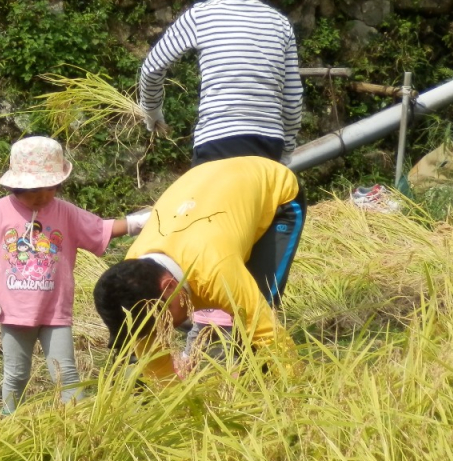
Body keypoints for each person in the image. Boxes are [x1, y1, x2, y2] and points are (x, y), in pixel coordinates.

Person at [0, 136, 149, 412]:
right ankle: (7, 422)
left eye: (49, 188)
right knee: (16, 375)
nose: (41, 196)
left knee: (66, 374)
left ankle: (79, 424)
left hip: (55, 311)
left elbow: (101, 228)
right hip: (14, 311)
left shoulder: (64, 212)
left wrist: (141, 223)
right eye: (33, 190)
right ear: (15, 185)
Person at [93, 156, 305, 378]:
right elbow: (156, 365)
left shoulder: (214, 269)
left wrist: (294, 393)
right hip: (205, 189)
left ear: (168, 287)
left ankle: (260, 389)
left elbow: (266, 333)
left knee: (255, 308)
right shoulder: (136, 275)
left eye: (161, 324)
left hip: (272, 190)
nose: (161, 333)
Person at [138, 0, 302, 166]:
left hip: (217, 142)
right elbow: (293, 98)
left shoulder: (200, 16)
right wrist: (285, 151)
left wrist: (152, 113)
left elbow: (152, 69)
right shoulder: (280, 22)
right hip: (269, 144)